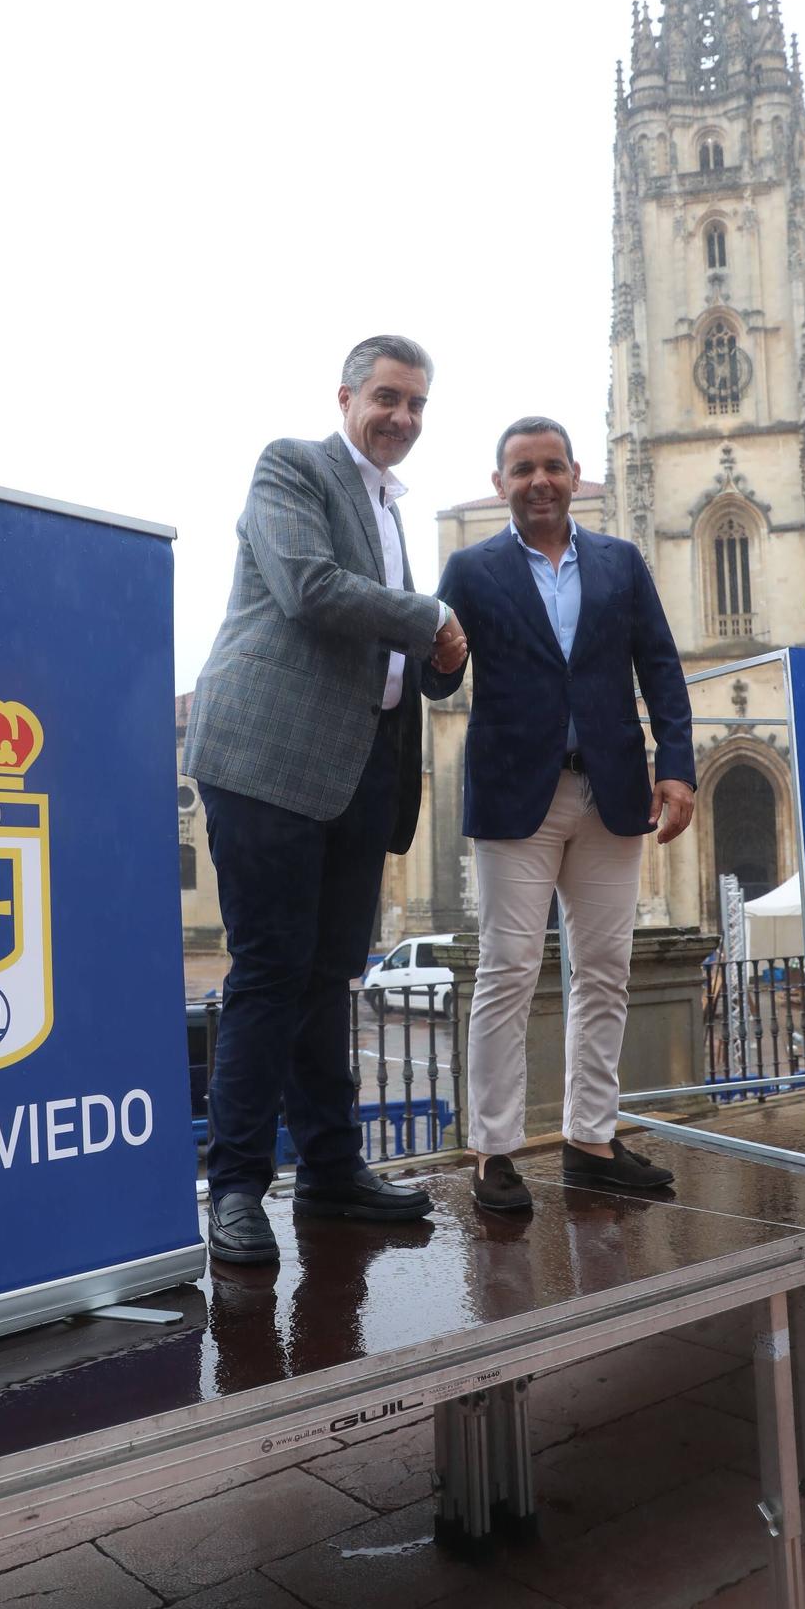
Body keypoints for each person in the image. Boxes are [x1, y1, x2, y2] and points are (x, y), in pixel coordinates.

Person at [183, 336, 468, 1264]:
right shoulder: (292, 468)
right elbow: (308, 589)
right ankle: (233, 1189)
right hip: (269, 756)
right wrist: (429, 619)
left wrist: (437, 660)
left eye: (417, 405)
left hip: (357, 773)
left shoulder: (391, 511)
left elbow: (384, 643)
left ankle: (332, 1168)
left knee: (324, 980)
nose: (402, 418)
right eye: (387, 397)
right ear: (346, 396)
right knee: (268, 973)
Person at [423, 416, 695, 1212]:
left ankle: (590, 1140)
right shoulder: (470, 570)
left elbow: (662, 668)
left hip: (611, 792)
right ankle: (494, 1152)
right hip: (517, 797)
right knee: (507, 973)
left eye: (550, 467)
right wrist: (440, 654)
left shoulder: (620, 562)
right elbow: (438, 681)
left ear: (574, 475)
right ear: (501, 481)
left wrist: (675, 769)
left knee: (605, 970)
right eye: (520, 469)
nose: (537, 481)